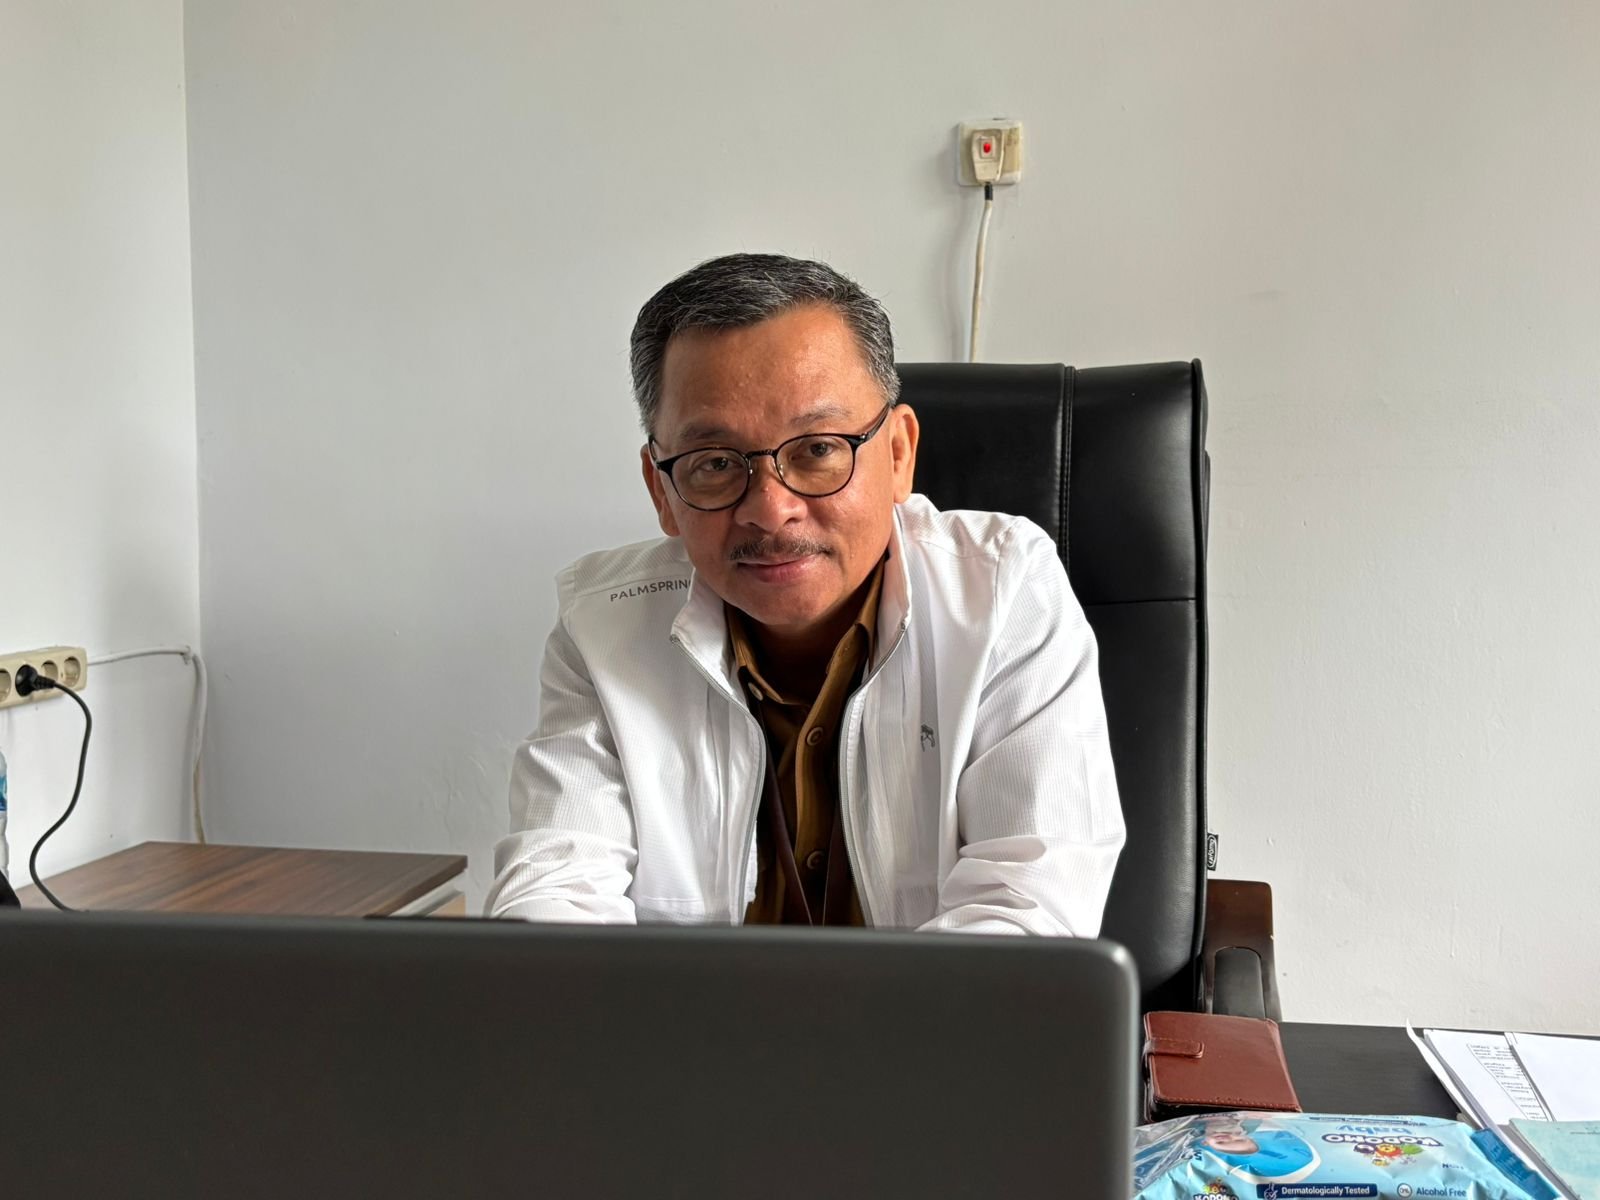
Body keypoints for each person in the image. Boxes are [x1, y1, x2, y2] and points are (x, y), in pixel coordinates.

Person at [486, 252, 1124, 933]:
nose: (770, 510)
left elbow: (1027, 917)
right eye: (714, 463)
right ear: (661, 491)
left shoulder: (1002, 593)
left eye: (817, 449)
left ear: (899, 454)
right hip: (688, 1013)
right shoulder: (603, 629)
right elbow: (554, 899)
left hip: (928, 1014)